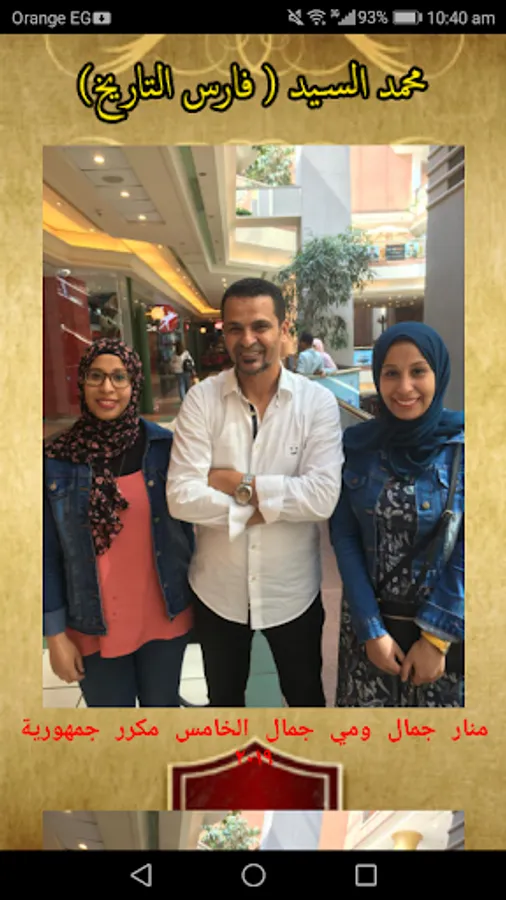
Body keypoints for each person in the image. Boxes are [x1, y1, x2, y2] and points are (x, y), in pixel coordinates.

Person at [166, 277, 343, 707]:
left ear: (284, 330)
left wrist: (233, 483)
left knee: (305, 700)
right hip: (218, 591)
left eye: (260, 326)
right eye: (235, 328)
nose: (248, 340)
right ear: (224, 333)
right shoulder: (201, 400)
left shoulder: (316, 403)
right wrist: (271, 503)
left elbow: (322, 497)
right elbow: (181, 496)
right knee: (225, 704)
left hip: (292, 591)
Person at [44, 338, 195, 707]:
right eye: (96, 376)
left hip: (164, 614)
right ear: (82, 382)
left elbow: (188, 532)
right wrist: (55, 635)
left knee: (161, 714)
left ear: (134, 384)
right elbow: (44, 556)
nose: (107, 388)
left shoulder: (165, 449)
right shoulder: (56, 459)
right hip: (92, 623)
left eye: (119, 376)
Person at [330, 322, 464, 707]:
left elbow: (476, 548)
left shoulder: (465, 447)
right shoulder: (358, 446)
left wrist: (435, 637)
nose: (404, 388)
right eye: (391, 373)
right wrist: (371, 630)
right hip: (371, 633)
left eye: (418, 371)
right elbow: (345, 537)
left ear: (438, 374)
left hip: (445, 634)